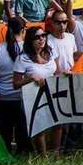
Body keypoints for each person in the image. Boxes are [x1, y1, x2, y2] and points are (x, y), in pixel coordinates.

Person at [12, 27, 62, 155]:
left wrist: (63, 75)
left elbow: (57, 71)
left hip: (53, 93)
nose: (41, 39)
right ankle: (42, 158)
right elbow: (15, 84)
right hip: (34, 98)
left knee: (58, 124)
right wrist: (29, 79)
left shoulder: (51, 52)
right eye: (37, 37)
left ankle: (55, 153)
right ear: (29, 40)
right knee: (40, 127)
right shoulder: (22, 59)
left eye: (43, 35)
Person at [0, 18, 30, 154]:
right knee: (22, 128)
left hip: (2, 97)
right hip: (23, 97)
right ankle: (21, 153)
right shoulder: (29, 49)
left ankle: (4, 153)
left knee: (4, 127)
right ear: (23, 30)